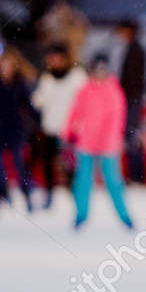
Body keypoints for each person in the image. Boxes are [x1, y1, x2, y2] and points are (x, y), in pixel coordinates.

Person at [65, 53, 134, 229]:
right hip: (86, 142)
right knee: (83, 181)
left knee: (113, 180)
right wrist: (69, 132)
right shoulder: (85, 90)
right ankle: (81, 215)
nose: (100, 73)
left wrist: (109, 139)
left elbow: (117, 119)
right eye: (97, 69)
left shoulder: (113, 90)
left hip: (108, 144)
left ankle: (124, 216)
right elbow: (75, 112)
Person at [29, 42, 85, 210]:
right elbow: (38, 102)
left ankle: (75, 195)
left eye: (56, 58)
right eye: (51, 58)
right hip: (51, 128)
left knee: (71, 166)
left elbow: (85, 101)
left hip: (71, 130)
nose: (53, 61)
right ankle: (49, 193)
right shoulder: (47, 78)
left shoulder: (77, 76)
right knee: (47, 162)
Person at [0, 48, 36, 216]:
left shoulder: (19, 84)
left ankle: (27, 196)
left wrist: (34, 122)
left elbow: (28, 106)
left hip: (14, 129)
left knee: (19, 165)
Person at [116, 18, 146, 185]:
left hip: (132, 100)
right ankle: (136, 175)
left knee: (132, 136)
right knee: (131, 136)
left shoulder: (136, 50)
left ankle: (137, 176)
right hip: (131, 99)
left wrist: (127, 97)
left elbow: (134, 79)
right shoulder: (133, 49)